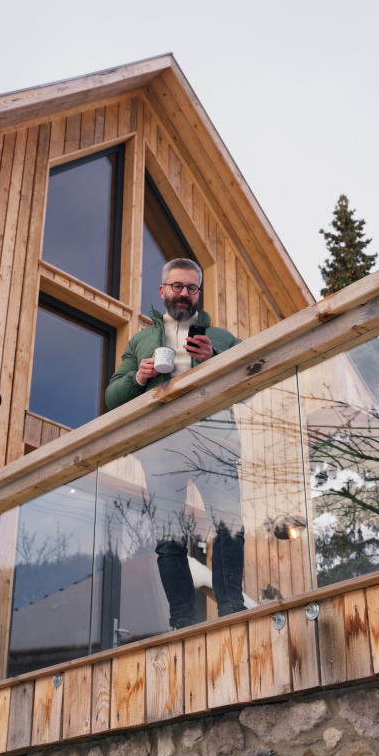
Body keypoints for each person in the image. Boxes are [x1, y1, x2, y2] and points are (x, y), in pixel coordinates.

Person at [105, 258, 246, 629]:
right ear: (162, 290)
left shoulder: (222, 338)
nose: (184, 294)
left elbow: (253, 379)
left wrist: (214, 360)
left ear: (199, 292)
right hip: (161, 449)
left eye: (192, 288)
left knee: (230, 526)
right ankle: (182, 619)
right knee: (168, 538)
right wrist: (139, 376)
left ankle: (232, 607)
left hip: (215, 445)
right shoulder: (140, 340)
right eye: (177, 287)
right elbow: (112, 397)